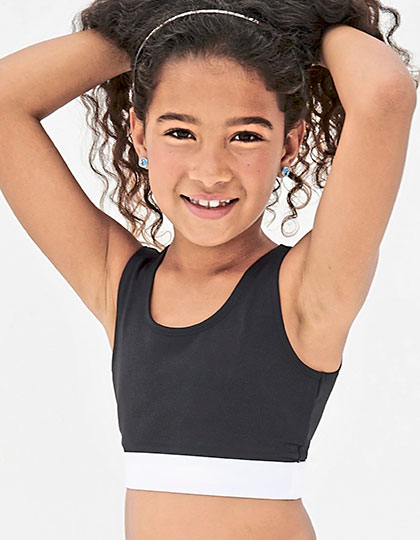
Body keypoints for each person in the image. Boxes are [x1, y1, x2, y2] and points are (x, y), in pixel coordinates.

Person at [0, 1, 418, 539]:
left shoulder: (306, 294)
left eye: (245, 136)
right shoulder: (121, 284)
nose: (211, 171)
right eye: (180, 132)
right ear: (140, 135)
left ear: (289, 144)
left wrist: (300, 27)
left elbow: (385, 95)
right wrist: (161, 28)